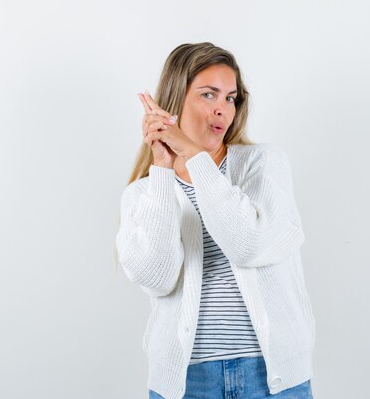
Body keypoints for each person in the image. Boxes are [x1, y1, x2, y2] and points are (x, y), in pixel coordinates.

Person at [115, 42, 316, 399]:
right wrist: (162, 170)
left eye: (230, 98)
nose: (223, 110)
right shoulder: (143, 193)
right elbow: (158, 279)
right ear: (175, 100)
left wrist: (194, 158)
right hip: (186, 383)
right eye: (209, 95)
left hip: (271, 378)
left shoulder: (262, 165)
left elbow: (247, 245)